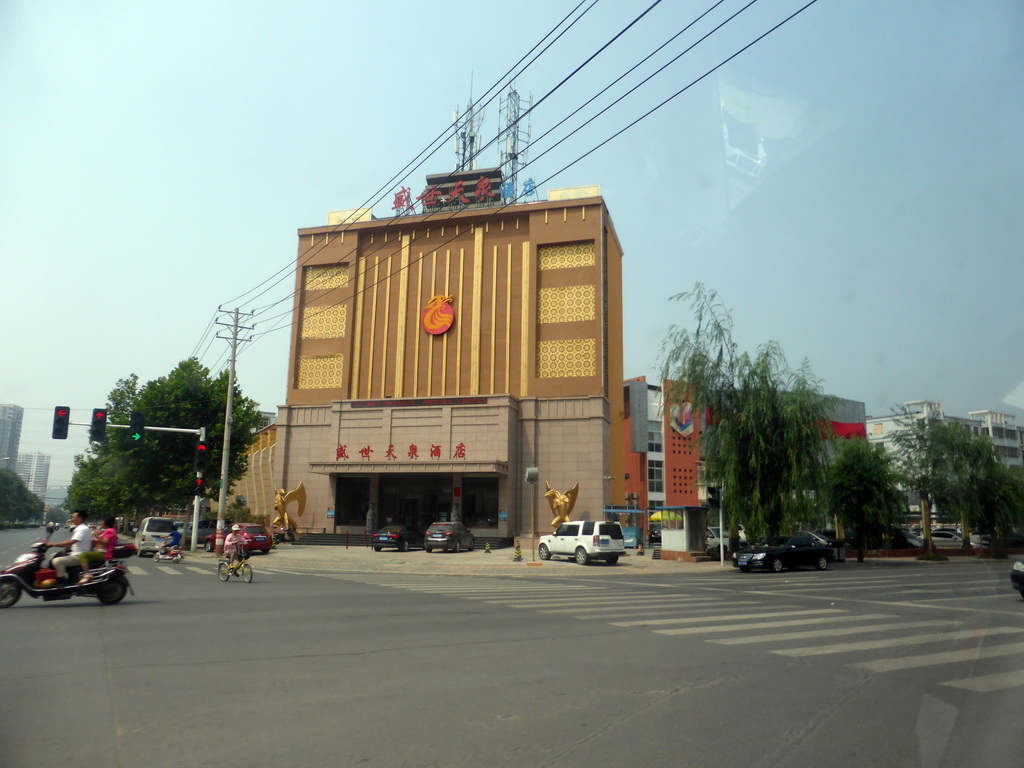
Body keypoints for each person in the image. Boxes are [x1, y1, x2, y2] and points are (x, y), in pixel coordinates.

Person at [45, 510, 93, 584]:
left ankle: (62, 581)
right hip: (75, 553)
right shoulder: (79, 528)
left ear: (80, 518)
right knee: (53, 556)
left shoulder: (82, 529)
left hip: (79, 556)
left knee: (57, 561)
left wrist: (54, 544)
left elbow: (71, 542)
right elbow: (74, 544)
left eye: (74, 517)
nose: (72, 519)